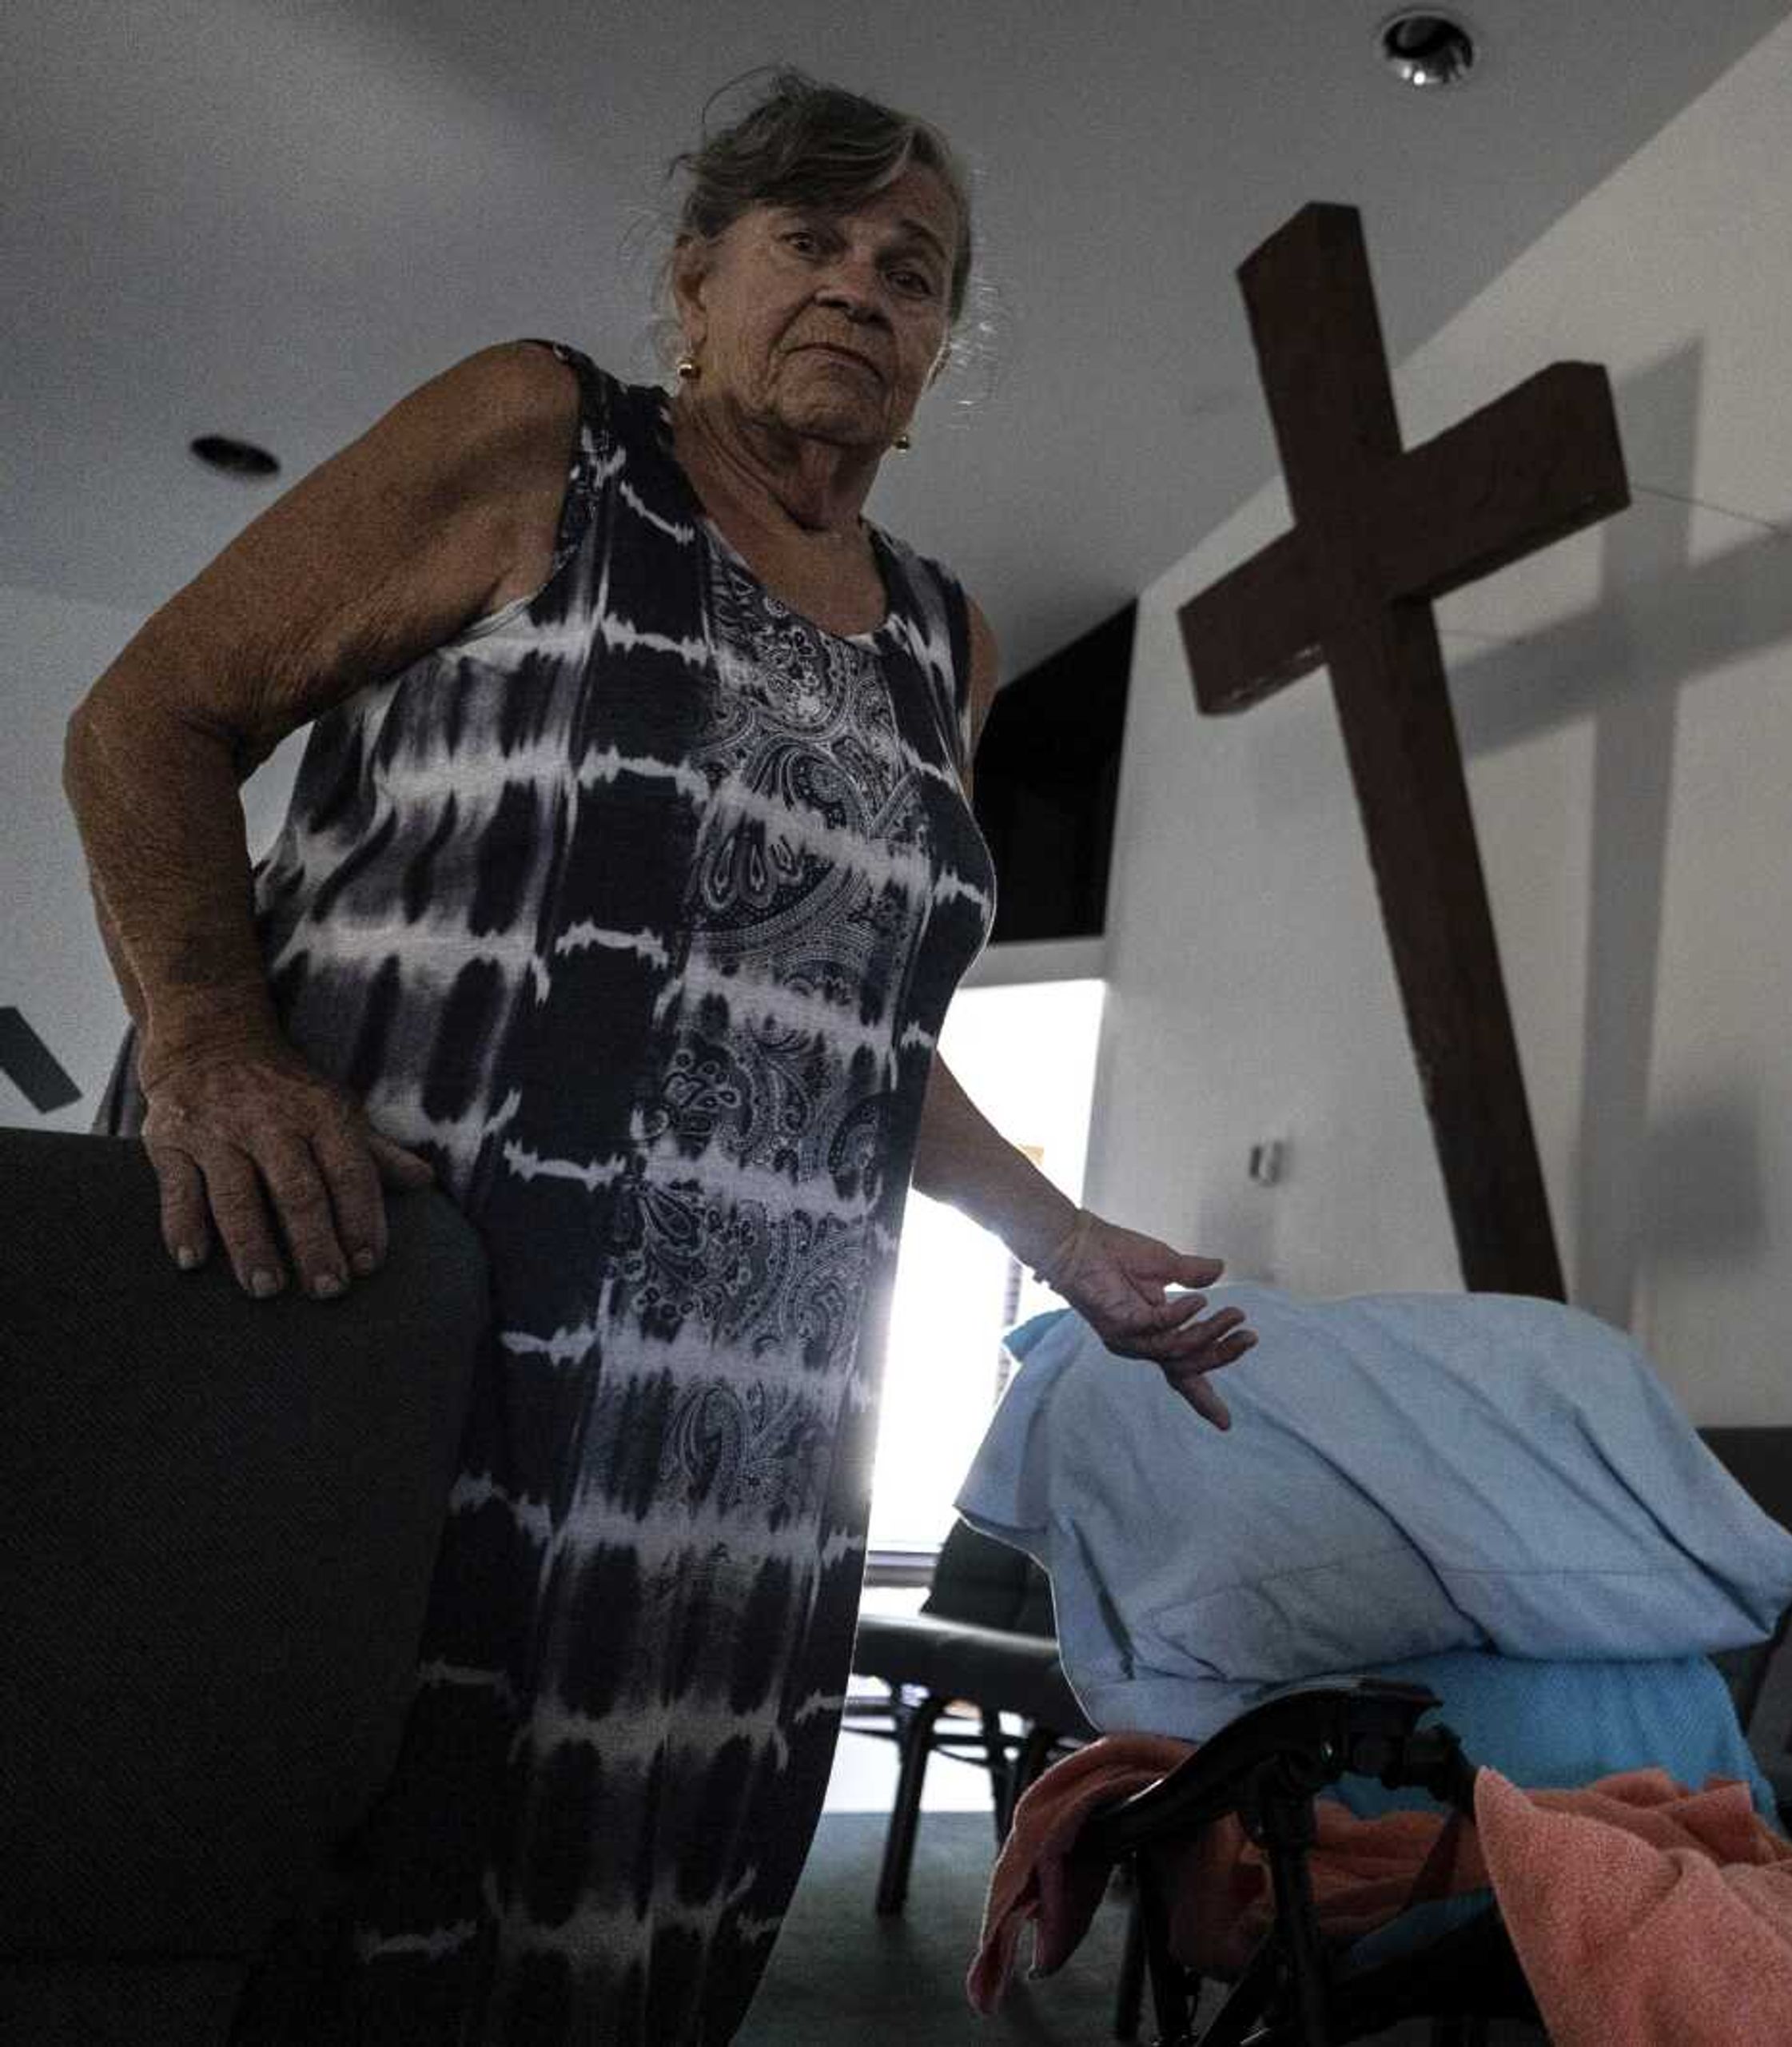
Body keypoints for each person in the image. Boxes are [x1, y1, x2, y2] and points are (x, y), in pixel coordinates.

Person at [59, 68, 1252, 2042]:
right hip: (395, 1330)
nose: (865, 290)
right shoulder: (547, 439)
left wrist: (1068, 1246)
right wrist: (208, 1043)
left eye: (915, 270)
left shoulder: (938, 638)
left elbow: (858, 1028)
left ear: (942, 347)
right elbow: (148, 718)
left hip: (748, 1452)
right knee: (290, 1884)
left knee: (635, 1921)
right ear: (695, 282)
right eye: (814, 241)